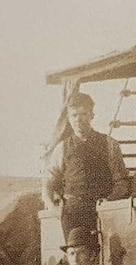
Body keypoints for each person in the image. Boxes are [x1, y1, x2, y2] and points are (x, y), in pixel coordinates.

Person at [42, 92, 130, 239]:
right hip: (72, 214)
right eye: (74, 115)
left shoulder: (109, 144)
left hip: (103, 211)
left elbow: (122, 182)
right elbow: (48, 182)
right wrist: (53, 208)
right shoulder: (62, 148)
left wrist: (110, 200)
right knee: (76, 255)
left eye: (83, 114)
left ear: (92, 115)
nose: (79, 119)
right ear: (69, 118)